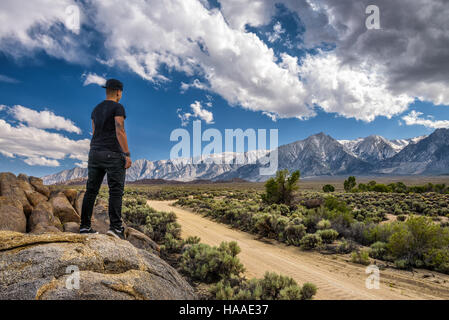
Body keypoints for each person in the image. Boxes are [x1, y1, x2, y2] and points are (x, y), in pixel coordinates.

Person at [79, 79, 132, 239]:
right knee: (115, 191)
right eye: (121, 92)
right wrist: (127, 154)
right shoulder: (118, 107)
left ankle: (84, 227)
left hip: (94, 152)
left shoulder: (96, 109)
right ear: (118, 92)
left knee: (91, 190)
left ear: (106, 90)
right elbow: (119, 129)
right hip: (112, 154)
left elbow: (95, 131)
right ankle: (115, 228)